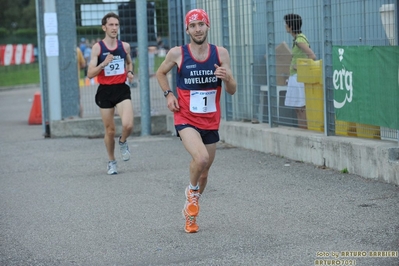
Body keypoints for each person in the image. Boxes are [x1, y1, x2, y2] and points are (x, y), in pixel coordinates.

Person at [156, 8, 237, 233]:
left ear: (207, 26)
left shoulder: (220, 54)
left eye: (201, 24)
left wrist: (227, 77)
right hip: (186, 116)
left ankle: (191, 211)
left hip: (210, 120)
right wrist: (169, 94)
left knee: (205, 172)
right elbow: (160, 73)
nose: (197, 29)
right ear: (187, 29)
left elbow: (232, 90)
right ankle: (191, 193)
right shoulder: (177, 53)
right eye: (193, 26)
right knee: (200, 158)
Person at [87, 12, 135, 175]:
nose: (114, 28)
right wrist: (103, 63)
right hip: (105, 91)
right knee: (110, 130)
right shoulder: (98, 48)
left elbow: (129, 62)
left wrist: (130, 72)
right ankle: (111, 161)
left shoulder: (124, 46)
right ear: (104, 27)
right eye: (111, 25)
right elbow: (90, 73)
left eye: (116, 25)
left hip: (121, 88)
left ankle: (123, 142)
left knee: (128, 124)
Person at [284, 13, 316, 129]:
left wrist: (300, 66)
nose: (285, 26)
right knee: (298, 107)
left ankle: (304, 130)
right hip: (295, 77)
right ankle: (302, 129)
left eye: (286, 24)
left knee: (301, 107)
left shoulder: (299, 40)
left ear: (291, 26)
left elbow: (312, 56)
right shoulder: (298, 39)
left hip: (299, 77)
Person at [76, 47, 86, 117]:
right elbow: (83, 64)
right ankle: (80, 115)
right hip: (76, 78)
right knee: (77, 98)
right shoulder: (77, 50)